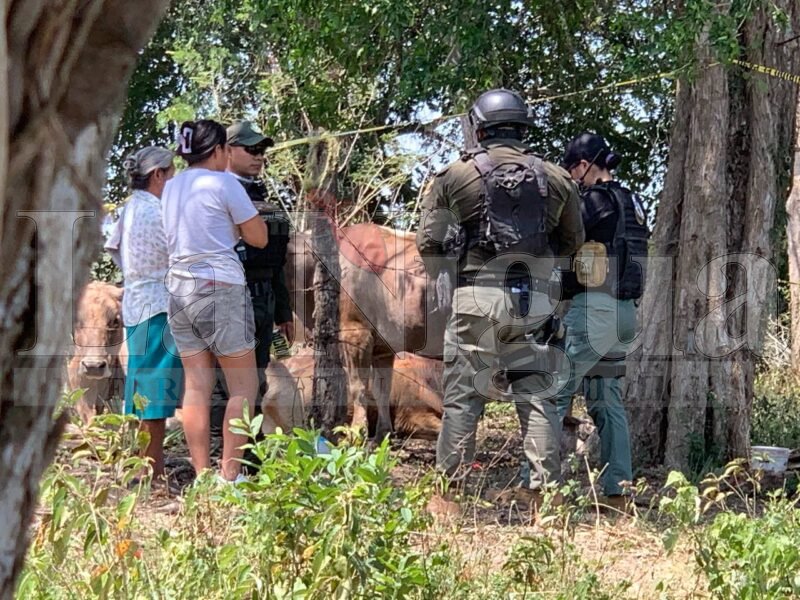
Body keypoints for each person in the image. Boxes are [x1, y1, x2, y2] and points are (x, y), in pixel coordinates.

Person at [416, 89, 584, 502]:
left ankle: (450, 498)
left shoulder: (454, 177)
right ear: (521, 127)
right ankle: (545, 500)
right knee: (538, 399)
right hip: (536, 302)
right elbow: (575, 245)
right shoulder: (557, 178)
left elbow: (429, 242)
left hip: (478, 296)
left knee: (462, 400)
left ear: (479, 126)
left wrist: (452, 280)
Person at [161, 119, 268, 482]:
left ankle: (202, 475)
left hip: (179, 291)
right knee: (243, 386)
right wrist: (238, 226)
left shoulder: (172, 188)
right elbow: (259, 238)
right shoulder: (224, 182)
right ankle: (230, 476)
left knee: (197, 386)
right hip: (220, 288)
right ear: (220, 150)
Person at [556, 132, 648, 509]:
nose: (574, 177)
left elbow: (564, 241)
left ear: (583, 165)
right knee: (608, 402)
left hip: (594, 310)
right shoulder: (634, 202)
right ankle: (617, 494)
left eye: (573, 170)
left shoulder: (593, 201)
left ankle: (537, 488)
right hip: (626, 313)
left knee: (552, 393)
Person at [209, 121, 293, 444]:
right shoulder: (216, 194)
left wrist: (283, 314)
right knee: (224, 385)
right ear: (227, 151)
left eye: (262, 151)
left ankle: (249, 459)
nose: (259, 157)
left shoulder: (262, 199)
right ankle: (222, 457)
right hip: (228, 300)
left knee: (255, 382)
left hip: (263, 304)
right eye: (252, 150)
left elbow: (277, 265)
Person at [104, 146, 183, 482]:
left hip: (136, 303)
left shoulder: (130, 210)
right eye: (172, 173)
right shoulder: (160, 212)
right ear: (158, 175)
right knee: (154, 389)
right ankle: (152, 469)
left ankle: (140, 464)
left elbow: (113, 249)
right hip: (158, 305)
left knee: (139, 386)